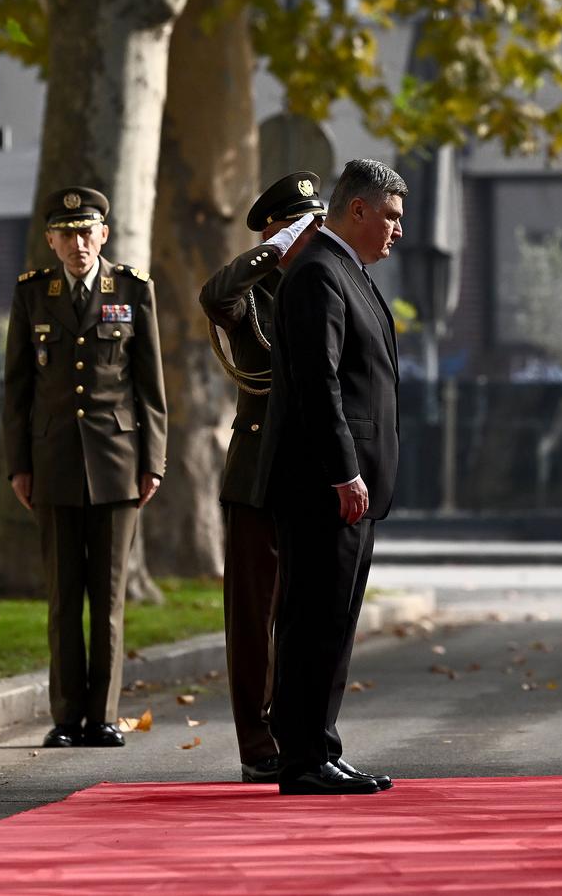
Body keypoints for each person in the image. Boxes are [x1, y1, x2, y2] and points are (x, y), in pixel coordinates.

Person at [1, 187, 167, 749]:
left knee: (110, 596)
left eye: (86, 231)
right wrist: (18, 466)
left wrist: (155, 463)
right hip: (52, 462)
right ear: (50, 240)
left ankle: (103, 715)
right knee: (63, 596)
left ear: (104, 234)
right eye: (65, 233)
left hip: (118, 462)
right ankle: (67, 716)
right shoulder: (32, 295)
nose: (77, 244)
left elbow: (150, 386)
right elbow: (17, 390)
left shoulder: (133, 290)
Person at [265, 158, 405, 795]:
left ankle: (319, 745)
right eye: (392, 216)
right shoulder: (320, 271)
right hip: (323, 484)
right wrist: (345, 471)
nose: (397, 230)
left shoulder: (347, 270)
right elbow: (319, 385)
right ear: (358, 210)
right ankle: (300, 756)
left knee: (335, 618)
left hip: (350, 486)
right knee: (313, 617)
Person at [198, 171, 326, 783]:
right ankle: (258, 741)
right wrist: (270, 251)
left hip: (317, 469)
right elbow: (213, 296)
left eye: (317, 223)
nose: (313, 235)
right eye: (301, 225)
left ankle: (306, 731)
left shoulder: (327, 285)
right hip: (258, 470)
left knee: (309, 612)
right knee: (254, 617)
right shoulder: (255, 292)